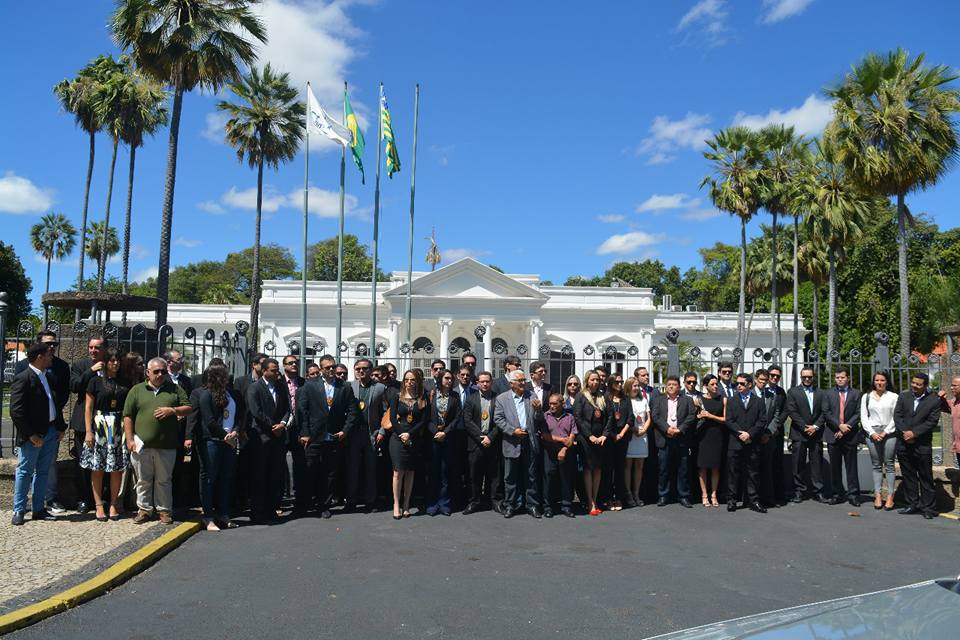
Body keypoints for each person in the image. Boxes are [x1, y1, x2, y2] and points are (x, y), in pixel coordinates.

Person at [123, 357, 191, 525]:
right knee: (143, 479)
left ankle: (164, 510)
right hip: (142, 446)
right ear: (147, 373)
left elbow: (188, 408)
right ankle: (144, 510)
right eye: (156, 371)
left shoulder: (174, 389)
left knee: (164, 480)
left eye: (163, 371)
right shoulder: (137, 390)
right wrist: (130, 439)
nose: (160, 374)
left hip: (166, 445)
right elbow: (128, 416)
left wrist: (172, 410)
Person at [9, 343, 66, 525]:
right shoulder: (24, 378)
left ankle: (38, 509)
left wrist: (59, 427)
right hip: (33, 435)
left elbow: (53, 404)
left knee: (42, 472)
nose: (51, 358)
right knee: (25, 471)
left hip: (49, 431)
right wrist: (31, 435)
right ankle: (18, 510)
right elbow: (16, 411)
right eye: (49, 355)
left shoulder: (46, 377)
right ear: (39, 357)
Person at [298, 354, 358, 518]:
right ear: (321, 369)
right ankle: (305, 503)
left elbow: (353, 412)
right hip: (314, 436)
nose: (331, 370)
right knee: (310, 470)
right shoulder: (309, 385)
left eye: (333, 366)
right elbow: (302, 410)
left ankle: (324, 505)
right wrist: (304, 432)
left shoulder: (344, 387)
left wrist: (345, 430)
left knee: (330, 473)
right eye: (327, 367)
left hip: (334, 436)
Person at [191, 363, 243, 531]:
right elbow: (209, 420)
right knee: (209, 478)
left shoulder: (230, 394)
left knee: (225, 478)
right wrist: (224, 436)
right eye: (224, 374)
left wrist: (235, 432)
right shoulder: (206, 394)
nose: (228, 377)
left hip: (229, 441)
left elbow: (238, 417)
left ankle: (223, 513)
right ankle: (208, 515)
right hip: (212, 440)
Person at [81, 347, 129, 522]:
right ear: (105, 362)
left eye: (117, 360)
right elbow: (88, 408)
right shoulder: (95, 381)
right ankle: (99, 505)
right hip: (100, 424)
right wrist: (88, 431)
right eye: (111, 360)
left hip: (119, 426)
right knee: (98, 468)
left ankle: (113, 504)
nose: (115, 363)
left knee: (117, 468)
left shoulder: (125, 382)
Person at [244, 357, 291, 524]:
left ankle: (271, 509)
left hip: (278, 439)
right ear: (264, 371)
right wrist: (273, 426)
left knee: (275, 475)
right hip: (261, 437)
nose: (276, 372)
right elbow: (256, 412)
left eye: (277, 369)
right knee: (259, 475)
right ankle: (258, 511)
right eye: (273, 370)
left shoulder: (281, 386)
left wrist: (283, 424)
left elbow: (288, 408)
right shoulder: (254, 388)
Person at [494, 369, 542, 518]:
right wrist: (512, 431)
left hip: (529, 440)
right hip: (512, 441)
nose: (523, 383)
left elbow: (538, 419)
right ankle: (510, 505)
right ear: (511, 383)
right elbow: (498, 419)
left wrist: (538, 410)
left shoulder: (531, 396)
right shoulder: (502, 398)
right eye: (519, 381)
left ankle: (532, 505)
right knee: (510, 477)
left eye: (523, 380)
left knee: (530, 475)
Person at [894, 373, 941, 519]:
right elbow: (897, 416)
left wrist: (914, 433)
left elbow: (931, 422)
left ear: (925, 386)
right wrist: (905, 433)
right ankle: (912, 504)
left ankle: (928, 508)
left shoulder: (934, 400)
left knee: (926, 477)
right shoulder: (903, 396)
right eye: (913, 383)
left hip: (922, 444)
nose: (914, 386)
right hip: (903, 443)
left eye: (919, 384)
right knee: (909, 476)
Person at [69, 336, 107, 513]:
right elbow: (75, 386)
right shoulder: (80, 365)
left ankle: (102, 497)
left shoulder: (110, 363)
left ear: (104, 349)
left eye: (97, 347)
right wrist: (91, 371)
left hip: (106, 421)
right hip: (83, 422)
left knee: (105, 461)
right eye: (91, 347)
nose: (93, 351)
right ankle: (83, 499)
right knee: (83, 462)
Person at [386, 370, 429, 518]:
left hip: (414, 438)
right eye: (406, 379)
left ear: (417, 381)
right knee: (398, 472)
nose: (409, 382)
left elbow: (424, 420)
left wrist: (410, 434)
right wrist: (401, 433)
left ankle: (406, 505)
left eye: (412, 380)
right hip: (397, 438)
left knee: (410, 471)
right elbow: (392, 419)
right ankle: (396, 504)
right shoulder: (397, 396)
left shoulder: (422, 398)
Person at [347, 358, 387, 512]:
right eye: (358, 369)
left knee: (371, 469)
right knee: (353, 468)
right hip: (354, 433)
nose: (361, 371)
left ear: (371, 370)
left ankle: (371, 501)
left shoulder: (379, 388)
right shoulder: (350, 386)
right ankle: (351, 500)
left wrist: (382, 431)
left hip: (372, 433)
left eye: (364, 368)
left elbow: (385, 412)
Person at [650, 376, 697, 508]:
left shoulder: (687, 400)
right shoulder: (659, 400)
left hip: (681, 438)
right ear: (666, 386)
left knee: (683, 469)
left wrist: (680, 429)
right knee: (663, 469)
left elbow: (691, 416)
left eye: (674, 384)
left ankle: (683, 496)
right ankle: (663, 495)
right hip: (664, 438)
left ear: (679, 386)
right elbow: (655, 416)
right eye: (669, 384)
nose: (671, 386)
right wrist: (667, 429)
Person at [725, 373, 766, 513]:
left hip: (752, 442)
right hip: (735, 442)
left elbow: (761, 421)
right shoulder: (731, 400)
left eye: (742, 384)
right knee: (732, 472)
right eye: (737, 383)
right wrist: (740, 433)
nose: (739, 386)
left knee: (752, 472)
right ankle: (732, 500)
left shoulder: (759, 401)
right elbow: (729, 420)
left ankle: (753, 501)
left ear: (750, 384)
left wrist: (750, 434)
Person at [822, 367, 862, 506]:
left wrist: (845, 428)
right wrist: (839, 426)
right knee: (835, 467)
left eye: (842, 377)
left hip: (850, 436)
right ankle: (837, 494)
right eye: (837, 377)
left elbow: (858, 413)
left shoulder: (856, 394)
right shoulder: (828, 394)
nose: (840, 379)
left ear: (848, 378)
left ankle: (853, 495)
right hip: (833, 435)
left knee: (851, 467)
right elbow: (826, 413)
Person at [462, 371, 500, 514]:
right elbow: (467, 420)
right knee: (474, 475)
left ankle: (494, 501)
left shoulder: (498, 399)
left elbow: (501, 420)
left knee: (494, 475)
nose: (484, 384)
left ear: (491, 382)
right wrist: (481, 437)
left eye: (487, 381)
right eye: (482, 381)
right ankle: (474, 502)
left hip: (493, 441)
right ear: (477, 383)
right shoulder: (471, 399)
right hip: (475, 443)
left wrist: (490, 437)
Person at [786, 367, 826, 503]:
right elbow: (792, 411)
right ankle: (799, 491)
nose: (807, 379)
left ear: (813, 377)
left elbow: (824, 412)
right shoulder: (792, 392)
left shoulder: (821, 393)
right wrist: (804, 427)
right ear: (801, 377)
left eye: (809, 377)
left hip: (816, 433)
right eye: (804, 377)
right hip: (799, 433)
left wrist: (815, 426)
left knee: (817, 464)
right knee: (798, 464)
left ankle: (818, 491)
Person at [426, 368, 461, 515]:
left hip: (448, 438)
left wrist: (445, 433)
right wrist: (435, 432)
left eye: (451, 378)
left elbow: (457, 417)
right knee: (433, 472)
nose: (449, 380)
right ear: (440, 379)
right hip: (433, 438)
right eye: (446, 378)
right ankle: (432, 503)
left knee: (445, 471)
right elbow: (425, 417)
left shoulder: (455, 396)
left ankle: (445, 503)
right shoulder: (431, 395)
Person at [573, 370, 607, 515]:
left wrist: (604, 435)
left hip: (601, 439)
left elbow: (609, 417)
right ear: (587, 380)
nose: (595, 382)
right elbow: (578, 418)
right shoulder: (581, 396)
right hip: (586, 439)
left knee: (598, 469)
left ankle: (596, 498)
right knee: (588, 469)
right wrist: (590, 435)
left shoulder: (602, 396)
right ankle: (589, 502)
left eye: (597, 380)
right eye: (592, 380)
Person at [863, 371, 898, 510]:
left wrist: (885, 432)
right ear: (873, 382)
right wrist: (872, 433)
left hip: (889, 432)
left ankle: (890, 496)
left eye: (882, 380)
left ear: (887, 382)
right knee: (876, 465)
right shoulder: (866, 397)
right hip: (872, 433)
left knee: (889, 464)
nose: (879, 382)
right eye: (877, 380)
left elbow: (896, 416)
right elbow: (864, 417)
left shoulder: (893, 397)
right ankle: (878, 495)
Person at [542, 392, 578, 517]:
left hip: (566, 452)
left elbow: (573, 434)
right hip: (549, 452)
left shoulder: (570, 417)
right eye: (550, 404)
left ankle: (567, 506)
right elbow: (545, 436)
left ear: (562, 404)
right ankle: (548, 507)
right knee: (549, 479)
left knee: (566, 478)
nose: (551, 406)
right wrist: (562, 440)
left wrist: (564, 449)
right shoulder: (545, 416)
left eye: (554, 404)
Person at [280, 355, 308, 514]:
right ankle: (278, 501)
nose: (294, 365)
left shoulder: (304, 383)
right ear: (284, 366)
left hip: (299, 428)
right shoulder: (279, 383)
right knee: (278, 465)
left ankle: (301, 502)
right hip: (282, 428)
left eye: (296, 363)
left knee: (300, 465)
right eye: (290, 363)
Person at [696, 374, 726, 508]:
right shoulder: (698, 400)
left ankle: (714, 494)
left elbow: (725, 419)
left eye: (716, 384)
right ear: (705, 386)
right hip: (703, 436)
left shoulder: (723, 400)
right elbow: (694, 418)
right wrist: (699, 415)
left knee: (715, 467)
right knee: (702, 467)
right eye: (712, 384)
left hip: (717, 435)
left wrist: (710, 416)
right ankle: (704, 495)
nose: (715, 386)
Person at [604, 374, 632, 510]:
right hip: (609, 437)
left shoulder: (626, 399)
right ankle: (609, 498)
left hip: (622, 437)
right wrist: (612, 434)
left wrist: (621, 434)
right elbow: (604, 419)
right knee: (609, 469)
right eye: (617, 382)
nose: (620, 384)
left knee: (620, 469)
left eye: (621, 381)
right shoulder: (606, 398)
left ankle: (619, 498)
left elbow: (630, 419)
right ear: (611, 383)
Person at [764, 364, 789, 504]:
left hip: (776, 432)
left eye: (777, 376)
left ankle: (778, 495)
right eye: (772, 375)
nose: (774, 378)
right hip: (761, 432)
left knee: (776, 464)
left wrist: (775, 426)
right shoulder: (761, 390)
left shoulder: (781, 392)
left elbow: (785, 410)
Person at [623, 378, 650, 508]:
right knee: (628, 466)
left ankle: (636, 493)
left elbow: (649, 417)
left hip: (642, 435)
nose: (636, 388)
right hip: (630, 435)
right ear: (628, 387)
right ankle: (628, 494)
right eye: (634, 386)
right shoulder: (625, 400)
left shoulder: (643, 400)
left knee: (639, 465)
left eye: (638, 386)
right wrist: (634, 430)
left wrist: (644, 429)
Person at [939, 376, 960, 472]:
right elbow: (944, 407)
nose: (951, 388)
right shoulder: (954, 402)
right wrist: (942, 398)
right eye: (951, 385)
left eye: (954, 386)